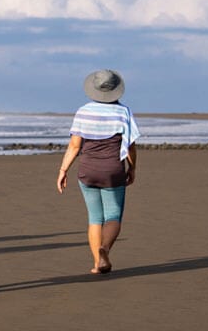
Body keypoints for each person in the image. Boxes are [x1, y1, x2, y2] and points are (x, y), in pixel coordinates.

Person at [57, 69, 140, 275]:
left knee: (95, 217)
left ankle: (97, 263)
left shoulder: (83, 111)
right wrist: (133, 167)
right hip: (113, 170)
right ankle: (105, 249)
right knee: (113, 216)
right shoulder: (123, 112)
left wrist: (63, 170)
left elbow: (75, 146)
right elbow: (130, 146)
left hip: (87, 170)